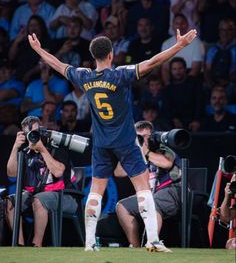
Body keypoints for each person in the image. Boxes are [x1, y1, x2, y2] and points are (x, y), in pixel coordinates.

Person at [28, 25, 197, 252]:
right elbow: (152, 63)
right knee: (143, 187)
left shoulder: (84, 76)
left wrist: (39, 50)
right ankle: (153, 240)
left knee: (96, 190)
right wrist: (179, 45)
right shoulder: (120, 74)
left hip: (101, 143)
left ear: (93, 56)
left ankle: (89, 243)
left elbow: (58, 66)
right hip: (126, 141)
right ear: (111, 54)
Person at [6, 115, 77, 247]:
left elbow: (58, 172)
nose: (32, 137)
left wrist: (42, 149)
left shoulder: (56, 145)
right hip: (36, 195)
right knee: (10, 202)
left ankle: (36, 245)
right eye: (29, 134)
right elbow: (11, 173)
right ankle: (19, 246)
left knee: (39, 199)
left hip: (65, 196)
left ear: (42, 130)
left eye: (35, 133)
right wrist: (15, 147)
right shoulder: (25, 151)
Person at [116, 120, 181, 248]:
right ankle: (135, 247)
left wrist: (146, 151)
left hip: (172, 191)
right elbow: (118, 172)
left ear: (152, 136)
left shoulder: (162, 147)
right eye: (139, 137)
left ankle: (152, 243)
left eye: (146, 136)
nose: (143, 140)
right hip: (151, 194)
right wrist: (127, 152)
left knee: (152, 202)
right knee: (122, 206)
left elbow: (167, 163)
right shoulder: (135, 153)